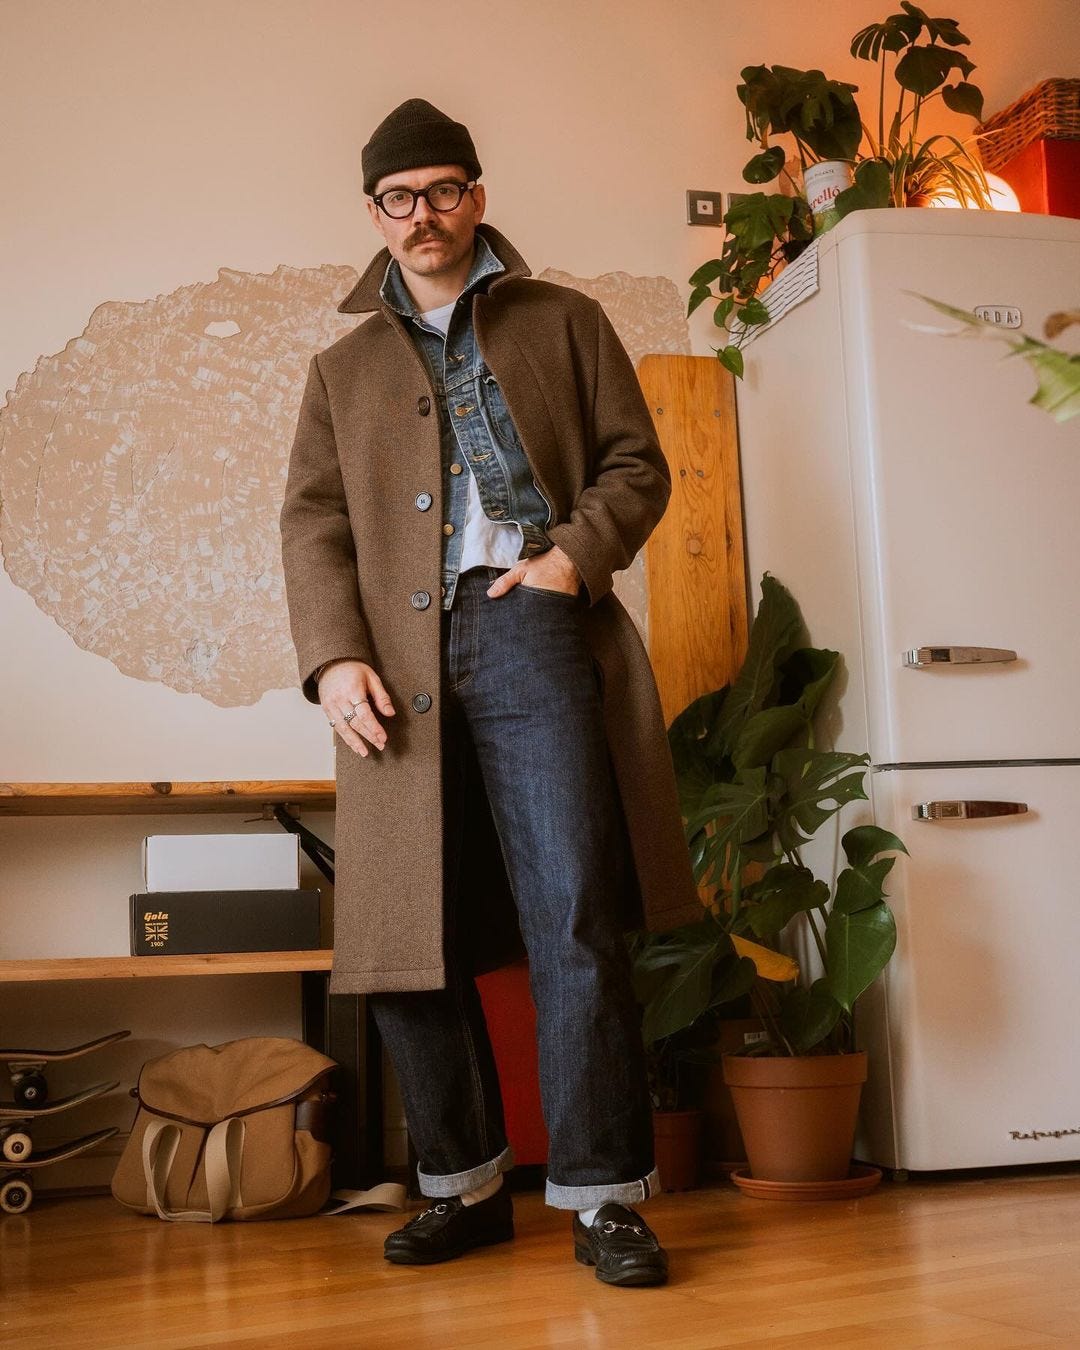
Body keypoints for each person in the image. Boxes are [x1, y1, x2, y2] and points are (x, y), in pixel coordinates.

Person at [279, 98, 701, 1287]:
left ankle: (604, 1197)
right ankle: (462, 1187)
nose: (426, 215)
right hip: (393, 661)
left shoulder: (564, 319)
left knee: (572, 913)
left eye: (445, 189)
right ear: (374, 214)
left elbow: (635, 461)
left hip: (531, 626)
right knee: (409, 933)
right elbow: (311, 521)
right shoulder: (340, 368)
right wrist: (334, 655)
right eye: (400, 198)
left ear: (478, 193)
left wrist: (571, 558)